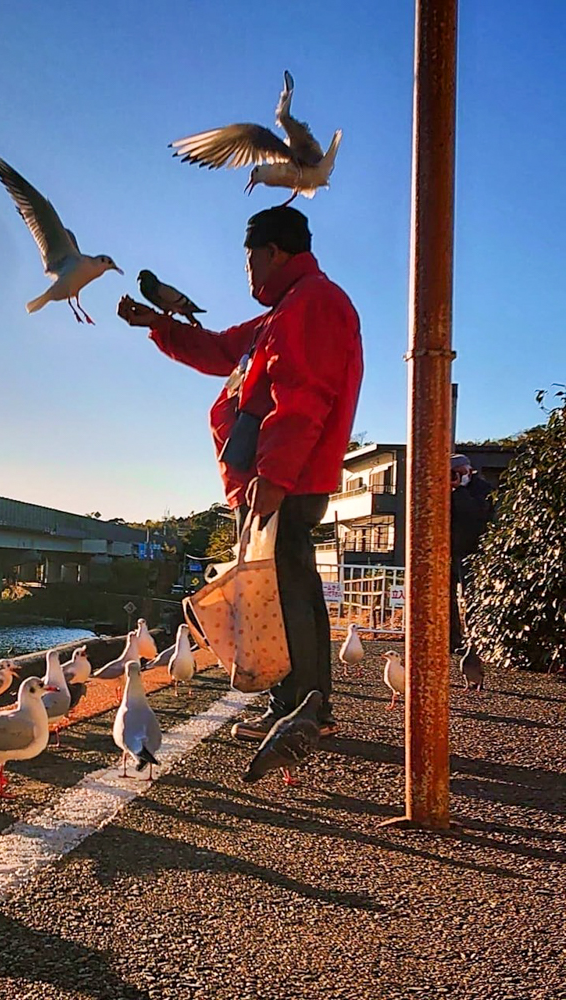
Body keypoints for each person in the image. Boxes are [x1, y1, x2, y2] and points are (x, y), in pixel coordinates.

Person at [118, 206, 362, 740]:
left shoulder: (312, 303)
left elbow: (302, 396)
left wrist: (273, 476)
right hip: (274, 477)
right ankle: (302, 707)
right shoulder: (288, 309)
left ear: (273, 252)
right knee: (285, 587)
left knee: (283, 591)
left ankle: (297, 709)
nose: (246, 269)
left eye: (250, 256)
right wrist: (157, 324)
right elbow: (221, 349)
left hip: (283, 480)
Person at [449, 453, 494, 652]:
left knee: (471, 597)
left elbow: (476, 514)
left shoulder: (482, 489)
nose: (454, 477)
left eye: (457, 473)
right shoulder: (444, 489)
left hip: (472, 550)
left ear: (468, 470)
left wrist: (459, 491)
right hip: (447, 551)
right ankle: (451, 639)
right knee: (444, 598)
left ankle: (474, 642)